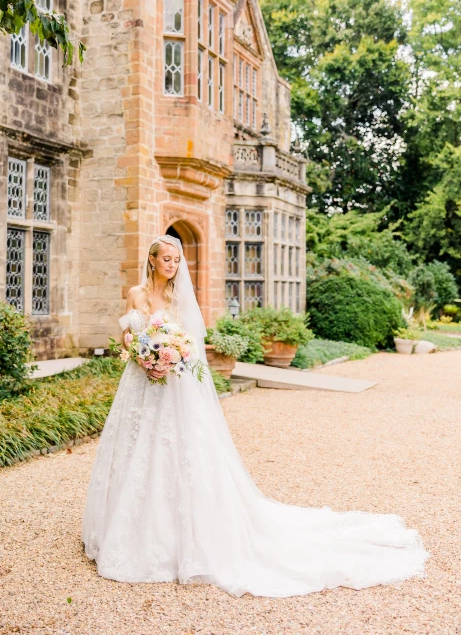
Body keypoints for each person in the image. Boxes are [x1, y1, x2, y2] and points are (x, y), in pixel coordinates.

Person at [82, 234, 429, 598]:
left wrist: (167, 359)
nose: (172, 265)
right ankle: (128, 526)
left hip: (172, 384)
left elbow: (188, 344)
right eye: (166, 259)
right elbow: (125, 334)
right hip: (139, 384)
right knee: (134, 448)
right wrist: (142, 355)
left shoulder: (177, 297)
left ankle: (180, 536)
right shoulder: (136, 293)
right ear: (152, 260)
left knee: (174, 452)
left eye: (177, 260)